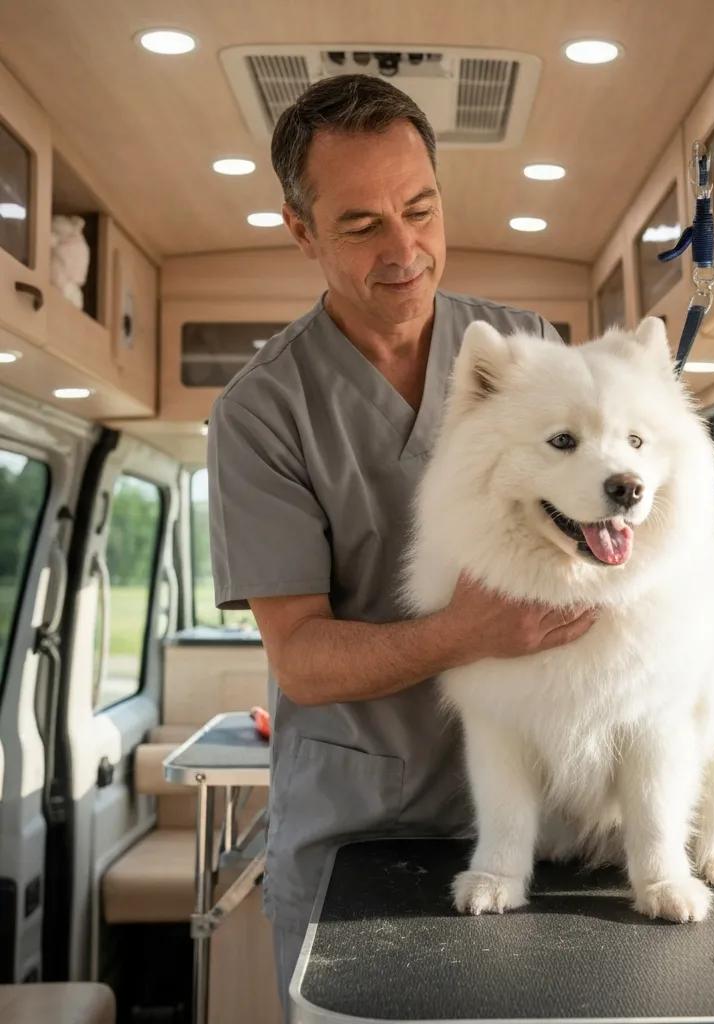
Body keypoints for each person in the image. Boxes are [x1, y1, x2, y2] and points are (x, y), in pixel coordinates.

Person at [206, 73, 597, 1010]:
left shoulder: (526, 349)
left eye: (419, 208)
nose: (405, 249)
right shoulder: (263, 412)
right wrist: (469, 632)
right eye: (361, 225)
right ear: (302, 232)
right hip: (360, 835)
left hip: (541, 822)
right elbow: (299, 659)